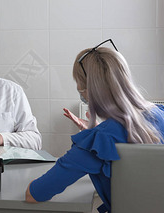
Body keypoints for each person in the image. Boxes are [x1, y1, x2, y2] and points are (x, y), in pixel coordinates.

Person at [25, 39, 164, 213]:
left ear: (89, 89)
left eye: (78, 84)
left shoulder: (97, 142)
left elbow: (36, 194)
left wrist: (95, 137)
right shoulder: (159, 112)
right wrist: (97, 131)